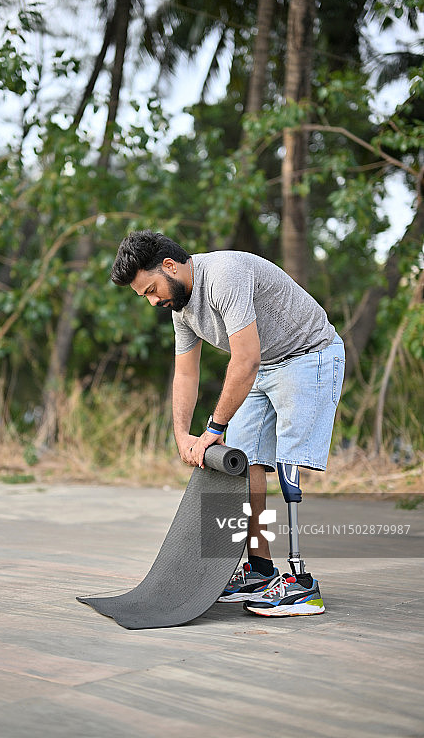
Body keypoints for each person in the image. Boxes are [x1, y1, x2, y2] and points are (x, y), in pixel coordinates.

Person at [110, 230, 345, 617]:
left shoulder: (224, 274)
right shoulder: (180, 308)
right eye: (146, 296)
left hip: (307, 354)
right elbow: (185, 374)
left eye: (152, 289)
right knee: (246, 462)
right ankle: (260, 570)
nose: (153, 301)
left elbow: (245, 359)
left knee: (287, 462)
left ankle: (302, 585)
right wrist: (182, 436)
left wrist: (213, 430)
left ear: (170, 266)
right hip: (265, 364)